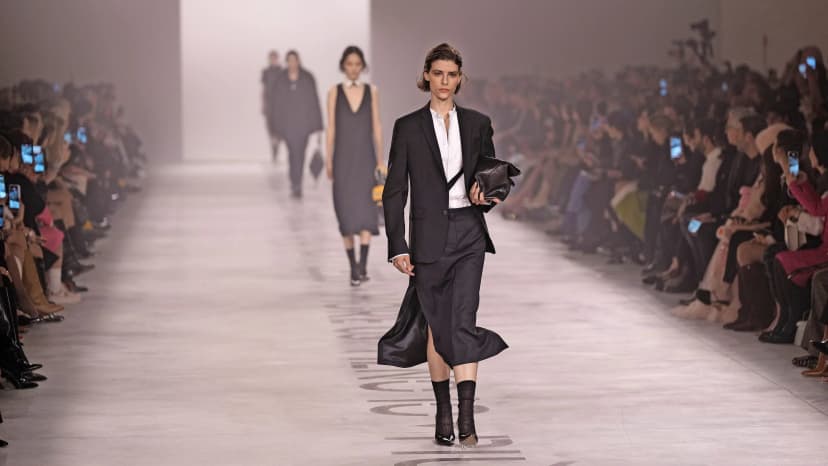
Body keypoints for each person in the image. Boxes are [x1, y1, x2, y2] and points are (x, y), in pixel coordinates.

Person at [377, 43, 508, 448]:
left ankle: (466, 417)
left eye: (451, 74)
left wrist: (487, 193)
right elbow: (395, 190)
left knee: (462, 321)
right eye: (438, 74)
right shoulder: (408, 127)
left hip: (469, 232)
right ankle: (443, 410)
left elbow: (492, 175)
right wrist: (398, 246)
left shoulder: (478, 123)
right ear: (426, 76)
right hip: (428, 238)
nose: (445, 81)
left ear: (460, 78)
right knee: (437, 326)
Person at [325, 46, 383, 286]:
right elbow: (331, 127)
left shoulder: (372, 91)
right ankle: (353, 267)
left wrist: (380, 159)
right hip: (342, 159)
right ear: (343, 66)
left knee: (367, 209)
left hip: (366, 158)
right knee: (345, 210)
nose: (353, 68)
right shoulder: (334, 92)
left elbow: (376, 125)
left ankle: (362, 265)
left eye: (357, 64)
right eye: (349, 64)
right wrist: (329, 159)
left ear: (363, 66)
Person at [273, 50, 323, 198]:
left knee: (300, 153)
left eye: (294, 60)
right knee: (291, 153)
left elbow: (314, 101)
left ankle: (298, 183)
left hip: (303, 124)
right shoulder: (281, 79)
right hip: (288, 124)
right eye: (289, 60)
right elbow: (276, 104)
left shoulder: (307, 78)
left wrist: (318, 126)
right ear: (287, 62)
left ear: (298, 61)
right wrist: (276, 126)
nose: (292, 63)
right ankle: (294, 181)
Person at [261, 50, 282, 162]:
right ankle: (274, 153)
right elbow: (264, 89)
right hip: (269, 104)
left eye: (274, 58)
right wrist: (263, 104)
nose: (273, 60)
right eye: (271, 58)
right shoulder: (266, 72)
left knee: (279, 130)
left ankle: (276, 151)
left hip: (280, 104)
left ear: (277, 59)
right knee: (270, 128)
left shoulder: (282, 71)